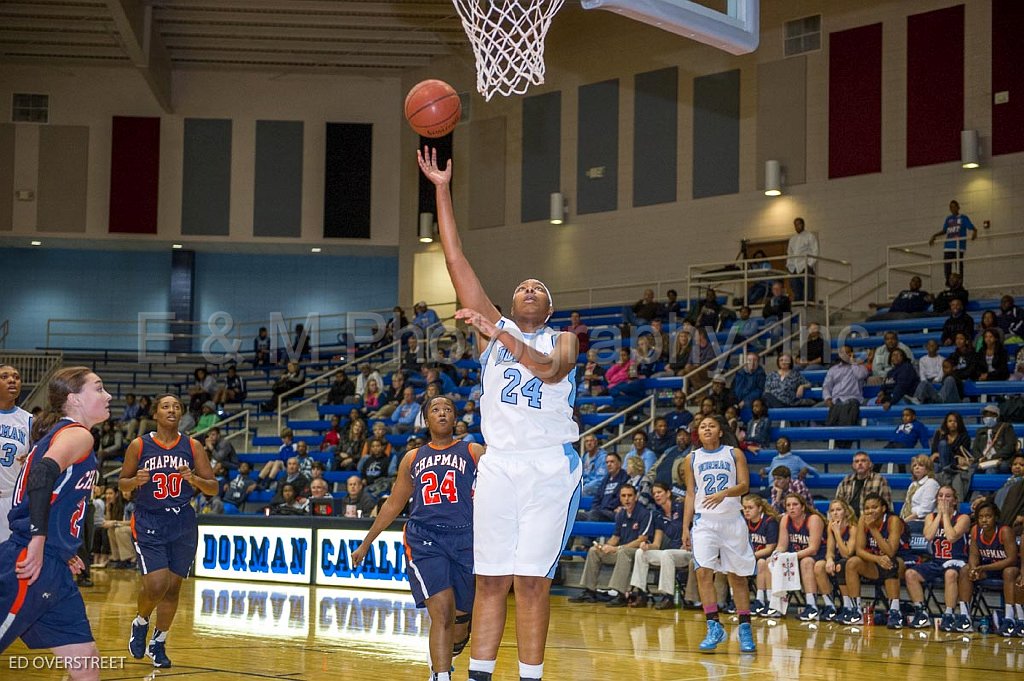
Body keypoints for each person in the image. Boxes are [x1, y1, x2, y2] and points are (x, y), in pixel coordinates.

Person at [420, 146, 581, 681]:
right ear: (510, 304)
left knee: (532, 581)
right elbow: (455, 260)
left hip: (549, 467)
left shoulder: (565, 340)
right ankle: (480, 676)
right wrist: (441, 189)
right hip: (498, 465)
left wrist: (500, 334)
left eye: (538, 288)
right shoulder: (496, 330)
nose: (528, 289)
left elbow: (550, 372)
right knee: (490, 580)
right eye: (520, 287)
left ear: (548, 308)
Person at [353, 396, 483, 681]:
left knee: (461, 623)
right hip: (425, 539)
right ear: (426, 419)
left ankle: (443, 656)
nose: (442, 413)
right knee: (443, 612)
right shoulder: (413, 457)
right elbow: (393, 504)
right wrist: (367, 542)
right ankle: (440, 675)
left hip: (465, 540)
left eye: (448, 409)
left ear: (455, 418)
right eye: (435, 409)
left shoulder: (473, 451)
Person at [0, 367, 108, 677]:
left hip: (54, 566)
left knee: (86, 661)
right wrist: (38, 539)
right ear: (74, 399)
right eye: (99, 389)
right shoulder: (78, 434)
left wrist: (61, 545)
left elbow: (55, 494)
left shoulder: (62, 434)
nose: (108, 395)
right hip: (31, 561)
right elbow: (42, 474)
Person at [119, 394, 218, 668]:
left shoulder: (193, 446)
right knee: (156, 585)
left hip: (183, 522)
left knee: (173, 589)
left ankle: (158, 642)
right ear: (156, 414)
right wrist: (134, 480)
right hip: (150, 520)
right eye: (166, 406)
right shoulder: (139, 445)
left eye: (176, 406)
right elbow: (122, 484)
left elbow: (213, 487)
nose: (171, 410)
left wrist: (195, 479)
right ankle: (141, 621)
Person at [681, 415, 756, 653]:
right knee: (703, 572)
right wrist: (686, 526)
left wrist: (725, 493)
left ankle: (745, 628)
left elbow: (745, 486)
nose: (707, 429)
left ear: (720, 431)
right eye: (702, 427)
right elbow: (691, 494)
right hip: (705, 522)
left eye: (711, 425)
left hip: (732, 520)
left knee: (737, 577)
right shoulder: (691, 458)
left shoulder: (734, 454)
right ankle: (713, 625)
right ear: (698, 433)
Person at [569, 484, 652, 605]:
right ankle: (589, 591)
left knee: (623, 552)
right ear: (620, 498)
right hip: (621, 551)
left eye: (630, 495)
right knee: (594, 551)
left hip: (638, 553)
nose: (627, 499)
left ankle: (620, 593)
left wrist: (617, 548)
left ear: (636, 497)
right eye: (623, 496)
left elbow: (642, 539)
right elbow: (616, 537)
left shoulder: (644, 513)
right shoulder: (621, 514)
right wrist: (605, 546)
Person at [903, 485, 970, 630]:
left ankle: (949, 614)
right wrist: (939, 515)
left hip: (956, 561)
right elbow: (928, 536)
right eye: (940, 496)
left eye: (947, 496)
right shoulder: (931, 517)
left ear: (954, 501)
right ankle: (921, 613)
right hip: (937, 561)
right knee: (910, 574)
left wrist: (945, 515)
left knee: (950, 574)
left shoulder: (963, 518)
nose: (943, 499)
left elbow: (951, 537)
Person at [839, 493, 909, 628]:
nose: (870, 511)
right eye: (867, 508)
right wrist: (877, 559)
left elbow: (891, 552)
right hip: (877, 562)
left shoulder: (893, 520)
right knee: (852, 563)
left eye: (874, 507)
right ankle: (856, 611)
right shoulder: (862, 520)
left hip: (902, 561)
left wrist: (872, 529)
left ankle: (895, 612)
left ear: (883, 508)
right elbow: (859, 550)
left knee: (891, 563)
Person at [956, 501, 1019, 635]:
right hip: (988, 568)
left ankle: (1009, 619)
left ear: (995, 517)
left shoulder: (1005, 531)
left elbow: (1012, 559)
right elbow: (973, 554)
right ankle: (965, 616)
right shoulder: (975, 531)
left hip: (1009, 569)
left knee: (1008, 572)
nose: (984, 520)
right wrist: (973, 568)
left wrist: (985, 567)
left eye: (988, 516)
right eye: (980, 517)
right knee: (965, 570)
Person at [626, 482, 688, 610]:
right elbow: (657, 544)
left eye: (659, 492)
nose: (656, 496)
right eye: (654, 494)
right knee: (640, 553)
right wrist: (647, 546)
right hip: (671, 554)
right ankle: (641, 593)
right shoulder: (658, 515)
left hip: (687, 551)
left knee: (667, 554)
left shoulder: (681, 507)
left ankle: (668, 596)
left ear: (668, 493)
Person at [775, 492, 826, 619]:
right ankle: (776, 606)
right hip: (797, 557)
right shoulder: (785, 519)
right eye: (788, 505)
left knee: (806, 562)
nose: (791, 508)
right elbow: (781, 545)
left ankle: (812, 606)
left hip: (819, 556)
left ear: (803, 507)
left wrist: (790, 556)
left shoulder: (813, 519)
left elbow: (813, 549)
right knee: (773, 561)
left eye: (795, 504)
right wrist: (776, 555)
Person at [0, 364, 31, 544]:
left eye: (16, 377)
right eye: (4, 377)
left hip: (13, 500)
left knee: (8, 559)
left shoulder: (28, 421)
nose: (12, 380)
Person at [813, 499, 857, 622]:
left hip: (852, 561)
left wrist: (837, 533)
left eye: (839, 510)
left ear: (846, 512)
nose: (835, 513)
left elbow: (847, 554)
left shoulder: (853, 527)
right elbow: (830, 550)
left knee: (841, 565)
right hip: (838, 560)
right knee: (819, 566)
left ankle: (848, 606)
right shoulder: (831, 526)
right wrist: (829, 560)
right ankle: (830, 606)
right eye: (832, 510)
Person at [742, 494, 779, 616]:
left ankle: (766, 600)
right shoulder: (743, 522)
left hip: (768, 557)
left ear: (759, 508)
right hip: (750, 557)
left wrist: (749, 556)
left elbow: (769, 548)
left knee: (762, 562)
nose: (746, 510)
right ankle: (733, 600)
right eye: (745, 507)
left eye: (750, 507)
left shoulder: (769, 522)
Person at [929, 199, 976, 281]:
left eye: (954, 207)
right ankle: (948, 284)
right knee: (947, 268)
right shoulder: (948, 219)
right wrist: (934, 235)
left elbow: (971, 227)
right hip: (948, 247)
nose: (952, 209)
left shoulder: (963, 218)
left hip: (959, 247)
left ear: (958, 207)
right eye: (950, 207)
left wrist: (975, 232)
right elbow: (944, 230)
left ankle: (959, 284)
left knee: (959, 267)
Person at [972, 404, 1017, 474]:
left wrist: (995, 456)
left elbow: (1010, 446)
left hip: (1000, 459)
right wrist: (980, 458)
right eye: (985, 415)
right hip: (983, 460)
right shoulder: (980, 431)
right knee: (970, 469)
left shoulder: (1006, 427)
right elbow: (975, 449)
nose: (987, 417)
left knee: (991, 470)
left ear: (997, 416)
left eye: (990, 415)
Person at [867, 276, 933, 319]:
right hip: (892, 313)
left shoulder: (922, 293)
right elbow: (893, 303)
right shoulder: (903, 292)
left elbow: (930, 300)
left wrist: (931, 297)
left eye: (917, 281)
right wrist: (877, 305)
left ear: (920, 285)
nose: (915, 283)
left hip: (905, 314)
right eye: (913, 281)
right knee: (870, 319)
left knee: (900, 317)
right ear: (910, 283)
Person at [787, 217, 819, 303]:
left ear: (803, 224)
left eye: (799, 224)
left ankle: (809, 305)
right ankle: (799, 305)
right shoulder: (792, 239)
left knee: (808, 290)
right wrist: (789, 267)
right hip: (794, 268)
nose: (797, 226)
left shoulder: (810, 236)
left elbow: (815, 252)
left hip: (805, 266)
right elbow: (790, 253)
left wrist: (808, 265)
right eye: (795, 225)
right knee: (796, 290)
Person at [900, 455, 939, 521]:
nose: (916, 467)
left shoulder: (931, 483)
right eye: (914, 466)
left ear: (928, 469)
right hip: (908, 519)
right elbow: (906, 505)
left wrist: (905, 521)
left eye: (920, 465)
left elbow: (926, 509)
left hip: (922, 521)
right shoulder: (913, 484)